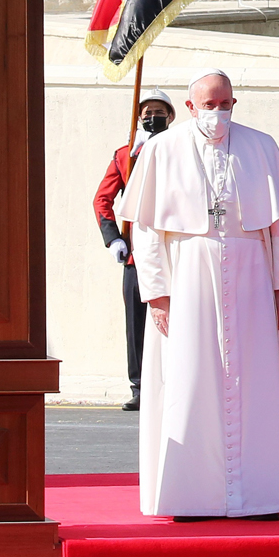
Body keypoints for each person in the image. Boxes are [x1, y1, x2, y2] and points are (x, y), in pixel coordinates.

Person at [117, 69, 279, 520]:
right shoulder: (162, 150)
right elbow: (145, 228)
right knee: (190, 379)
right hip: (187, 278)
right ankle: (192, 494)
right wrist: (157, 293)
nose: (218, 114)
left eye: (225, 105)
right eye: (209, 105)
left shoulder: (261, 146)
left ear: (235, 105)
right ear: (190, 107)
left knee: (255, 381)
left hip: (250, 278)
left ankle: (260, 495)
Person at [94, 88, 176, 411]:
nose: (152, 118)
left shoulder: (182, 149)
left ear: (170, 117)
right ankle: (140, 386)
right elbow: (103, 199)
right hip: (137, 256)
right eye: (146, 113)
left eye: (158, 112)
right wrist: (114, 237)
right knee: (137, 324)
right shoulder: (125, 154)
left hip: (176, 251)